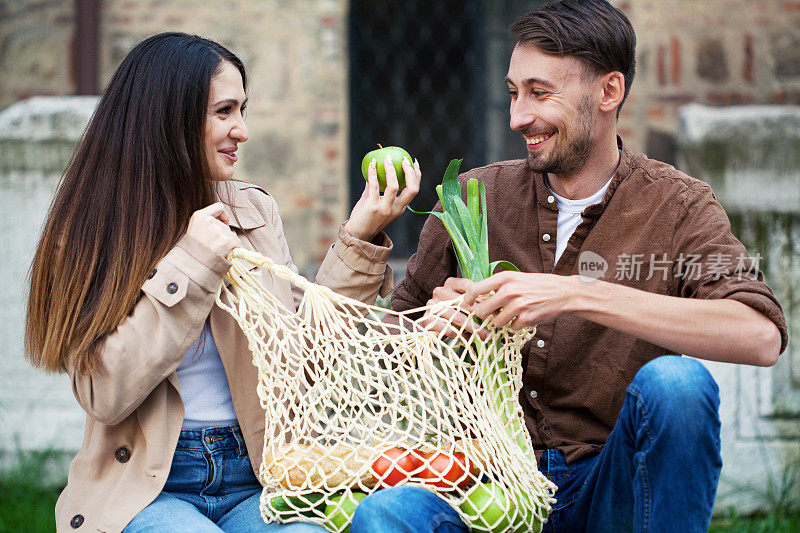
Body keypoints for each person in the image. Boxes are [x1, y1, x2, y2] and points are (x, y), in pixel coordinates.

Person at [351, 1, 787, 532]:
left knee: (677, 384)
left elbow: (759, 335)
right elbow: (383, 351)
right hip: (489, 488)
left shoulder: (679, 205)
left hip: (614, 487)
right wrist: (432, 331)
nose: (517, 117)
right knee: (386, 514)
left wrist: (576, 293)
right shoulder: (470, 197)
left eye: (539, 93)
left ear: (609, 92)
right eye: (513, 93)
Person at [24, 32, 419, 533]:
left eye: (242, 110)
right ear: (168, 117)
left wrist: (360, 234)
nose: (242, 130)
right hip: (146, 487)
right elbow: (105, 392)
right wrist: (192, 263)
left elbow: (309, 355)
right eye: (224, 112)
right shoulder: (96, 228)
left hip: (258, 474)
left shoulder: (253, 211)